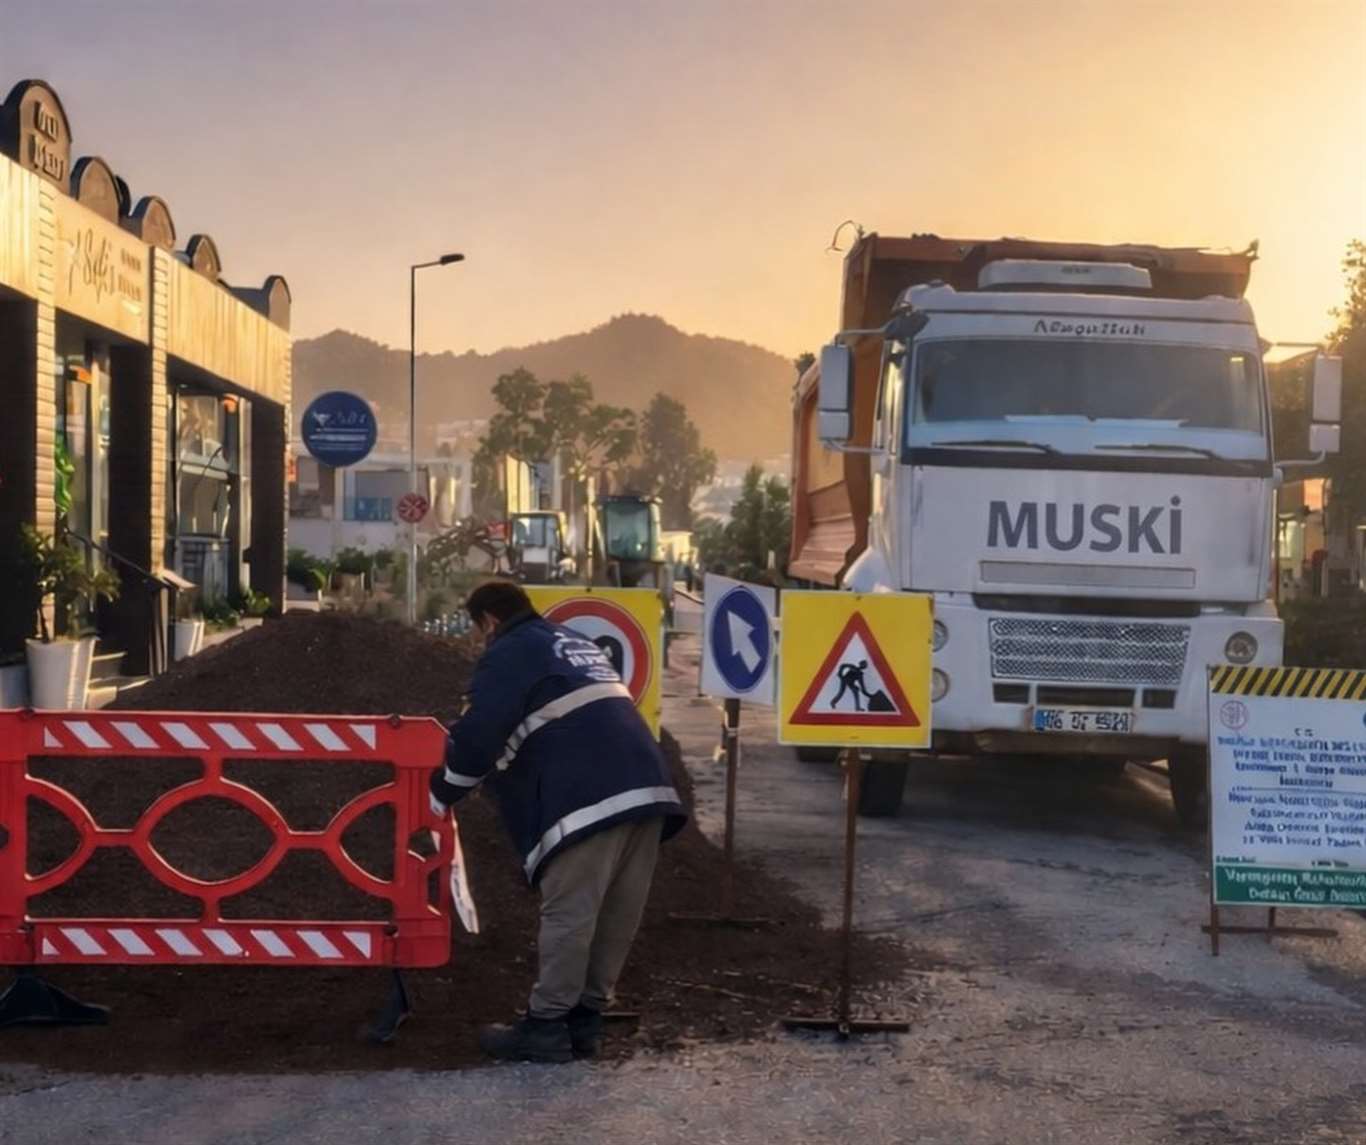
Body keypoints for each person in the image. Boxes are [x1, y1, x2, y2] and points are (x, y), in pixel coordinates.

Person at [430, 580, 687, 1063]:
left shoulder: (509, 651)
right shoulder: (573, 643)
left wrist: (442, 791)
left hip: (586, 795)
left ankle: (546, 1026)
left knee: (570, 910)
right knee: (616, 912)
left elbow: (480, 733)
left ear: (488, 621)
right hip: (648, 787)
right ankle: (585, 1022)